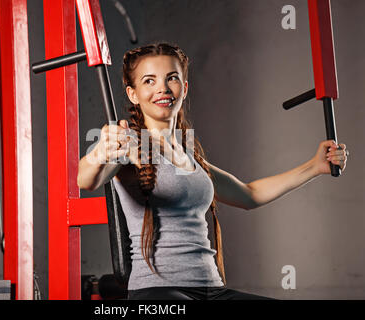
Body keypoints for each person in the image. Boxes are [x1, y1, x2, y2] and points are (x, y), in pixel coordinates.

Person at [77, 42, 349, 300]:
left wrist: (314, 166)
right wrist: (101, 151)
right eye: (149, 81)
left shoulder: (189, 154)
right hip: (159, 291)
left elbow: (249, 194)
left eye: (171, 78)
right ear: (133, 93)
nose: (163, 88)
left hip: (211, 289)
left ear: (184, 87)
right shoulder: (131, 144)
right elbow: (86, 178)